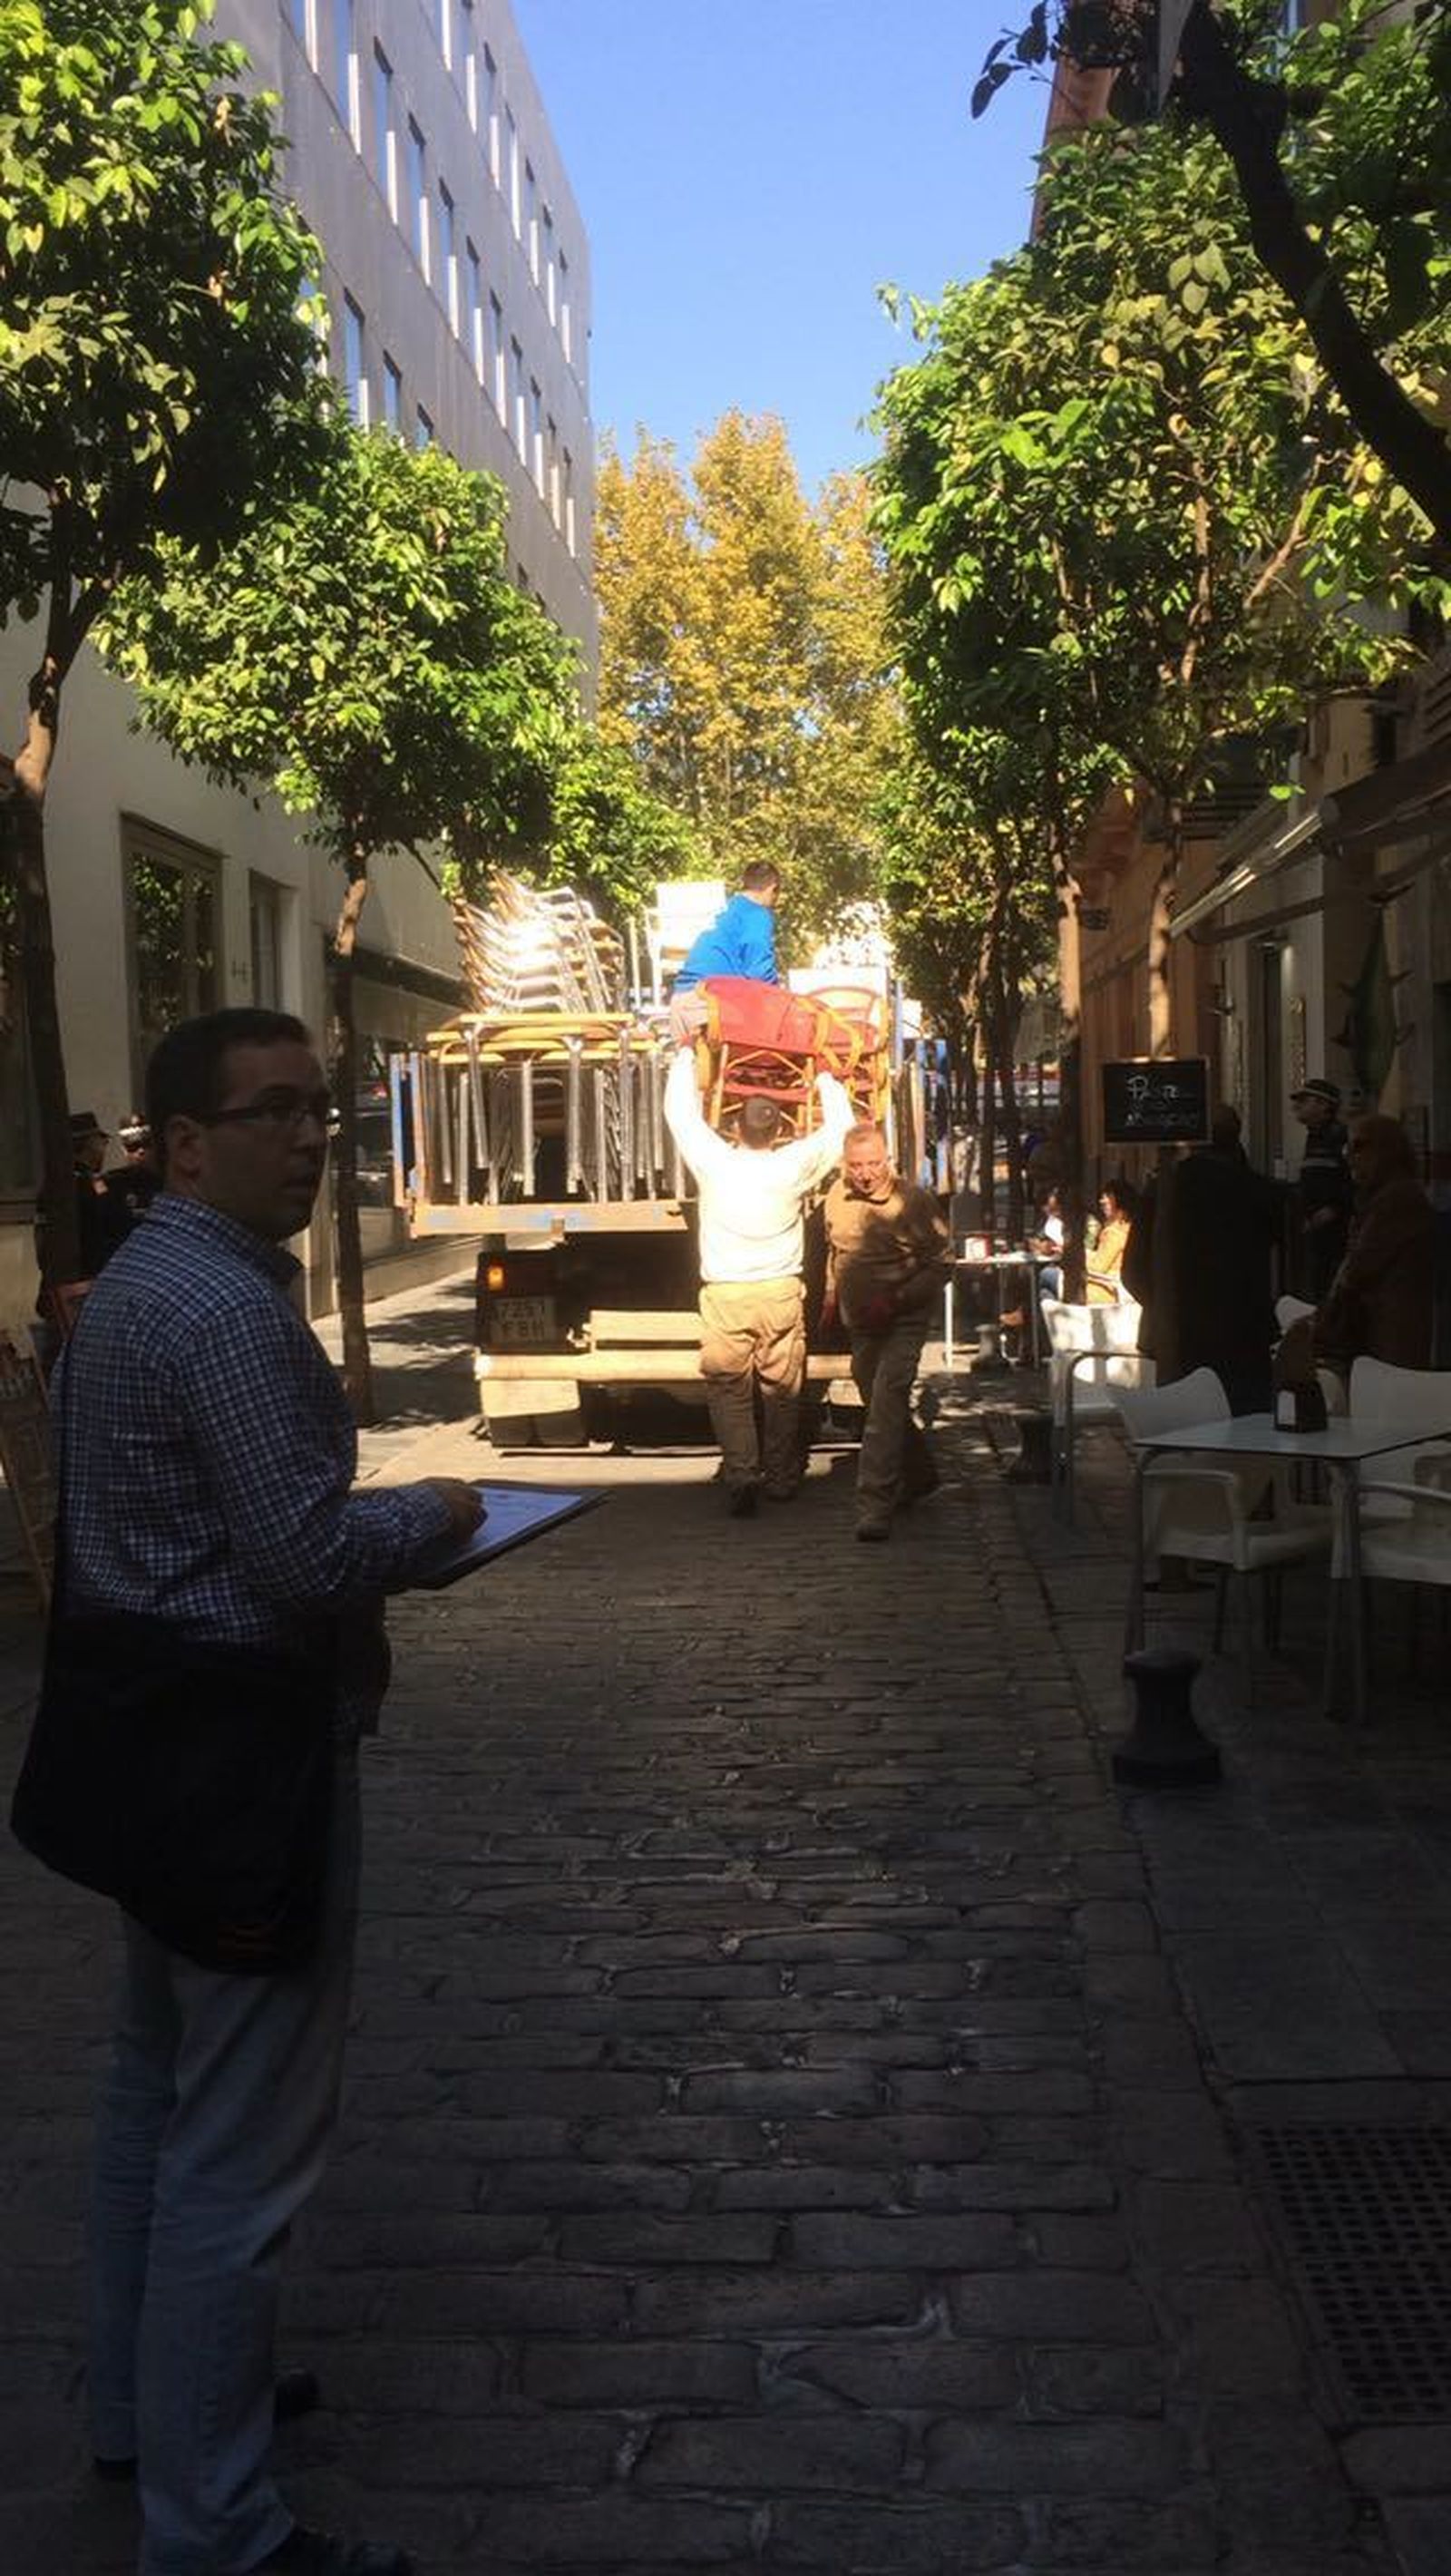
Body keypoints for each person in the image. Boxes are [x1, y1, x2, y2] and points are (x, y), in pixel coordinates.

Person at [50, 1009, 482, 2576]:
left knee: (149, 2097)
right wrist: (440, 1511)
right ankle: (216, 2528)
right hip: (239, 1759)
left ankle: (140, 2405)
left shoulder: (140, 1290)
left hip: (148, 1742)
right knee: (239, 2147)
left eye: (322, 1109)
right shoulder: (220, 1312)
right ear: (179, 1144)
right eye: (271, 1113)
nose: (310, 1137)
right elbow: (304, 1556)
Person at [665, 1046, 852, 1513]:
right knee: (782, 1391)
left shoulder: (715, 1162)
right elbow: (841, 1133)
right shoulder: (793, 1166)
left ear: (734, 1128)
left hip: (727, 1294)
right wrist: (828, 1081)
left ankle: (742, 1473)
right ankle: (783, 1476)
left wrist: (686, 1057)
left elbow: (679, 1115)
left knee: (729, 1390)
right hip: (780, 1292)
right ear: (781, 1131)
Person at [823, 1122, 952, 1541]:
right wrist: (830, 1298)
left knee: (883, 1404)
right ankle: (920, 1475)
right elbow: (836, 1252)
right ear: (846, 1164)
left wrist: (896, 1300)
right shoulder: (836, 1197)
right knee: (878, 1398)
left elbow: (942, 1263)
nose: (866, 1173)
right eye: (857, 1165)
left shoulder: (914, 1202)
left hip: (903, 1319)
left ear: (889, 1159)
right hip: (859, 1322)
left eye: (874, 1163)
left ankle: (874, 1507)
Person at [1136, 1107, 1278, 1414]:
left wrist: (1164, 1307)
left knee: (1188, 1434)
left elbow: (1134, 1269)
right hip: (1246, 1335)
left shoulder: (1165, 1190)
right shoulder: (1260, 1190)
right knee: (1249, 1435)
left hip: (1183, 1336)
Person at [1308, 1112, 1435, 1377]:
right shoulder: (1380, 1197)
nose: (1349, 1155)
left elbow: (1357, 1269)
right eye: (1348, 1147)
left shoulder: (1399, 1198)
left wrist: (1318, 1324)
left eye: (1360, 1147)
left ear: (1386, 1151)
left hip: (1391, 1336)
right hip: (1376, 1333)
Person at [671, 860, 782, 992]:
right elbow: (760, 974)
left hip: (683, 994)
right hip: (711, 999)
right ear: (772, 888)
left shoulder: (725, 909)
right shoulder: (756, 914)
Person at [1290, 1076, 1352, 1302]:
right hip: (1317, 1233)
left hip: (1336, 1234)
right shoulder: (1314, 1139)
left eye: (1305, 1100)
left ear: (1324, 1105)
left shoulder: (1339, 1137)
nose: (1297, 1106)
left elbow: (1352, 1180)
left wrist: (1334, 1209)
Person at [97, 1109, 161, 1262]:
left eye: (146, 1145)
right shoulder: (110, 1184)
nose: (140, 1152)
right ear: (124, 1150)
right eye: (133, 1147)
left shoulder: (172, 1183)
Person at [1087, 1179, 1134, 1304]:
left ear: (1119, 1200)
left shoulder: (1114, 1232)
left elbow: (1097, 1268)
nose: (1101, 1201)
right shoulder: (1130, 1227)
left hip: (1106, 1290)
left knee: (1048, 1275)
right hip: (1122, 1288)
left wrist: (1076, 1256)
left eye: (1107, 1196)